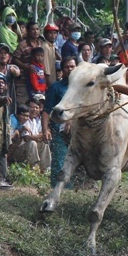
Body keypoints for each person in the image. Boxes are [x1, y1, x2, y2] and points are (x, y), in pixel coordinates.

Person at [43, 56, 76, 186]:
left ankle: (75, 191)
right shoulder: (55, 88)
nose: (70, 69)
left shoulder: (83, 87)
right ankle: (58, 190)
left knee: (75, 162)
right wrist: (45, 129)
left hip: (78, 132)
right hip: (59, 131)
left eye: (72, 66)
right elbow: (46, 110)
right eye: (67, 67)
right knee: (60, 161)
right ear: (62, 70)